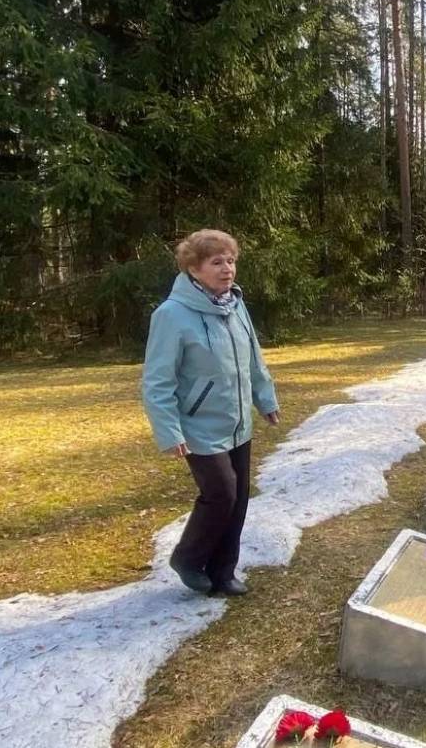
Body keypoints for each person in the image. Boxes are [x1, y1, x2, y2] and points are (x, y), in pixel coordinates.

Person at [142, 229, 280, 595]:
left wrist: (265, 399)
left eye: (231, 261)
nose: (227, 269)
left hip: (238, 422)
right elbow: (157, 381)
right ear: (194, 268)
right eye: (216, 262)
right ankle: (187, 557)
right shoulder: (171, 315)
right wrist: (169, 432)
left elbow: (253, 356)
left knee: (238, 498)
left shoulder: (235, 305)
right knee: (221, 493)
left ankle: (223, 573)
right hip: (198, 426)